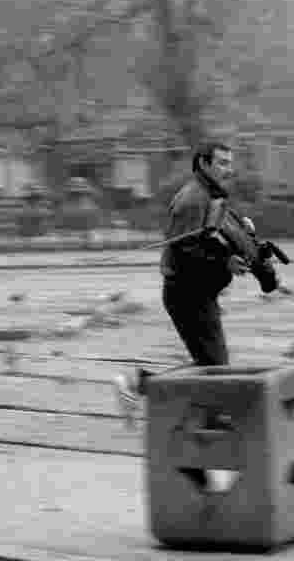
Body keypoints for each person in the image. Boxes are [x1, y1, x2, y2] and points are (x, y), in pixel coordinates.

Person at [113, 142, 249, 427]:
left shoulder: (210, 195)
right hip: (187, 294)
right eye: (222, 162)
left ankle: (145, 387)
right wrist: (225, 263)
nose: (228, 169)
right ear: (203, 164)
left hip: (197, 292)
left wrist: (240, 233)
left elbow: (211, 240)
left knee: (211, 365)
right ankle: (139, 385)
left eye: (229, 163)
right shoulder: (193, 200)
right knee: (214, 368)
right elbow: (188, 253)